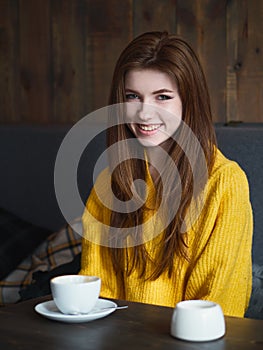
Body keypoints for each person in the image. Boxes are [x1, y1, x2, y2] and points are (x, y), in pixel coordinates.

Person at [79, 31, 253, 317]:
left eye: (162, 97)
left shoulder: (225, 182)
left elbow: (220, 307)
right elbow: (99, 296)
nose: (145, 114)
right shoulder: (109, 181)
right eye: (133, 96)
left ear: (188, 101)